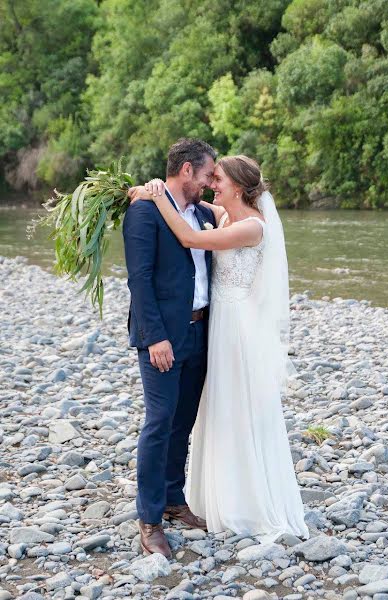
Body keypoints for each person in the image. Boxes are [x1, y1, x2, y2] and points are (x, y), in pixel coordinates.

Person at [130, 154, 309, 541]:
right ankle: (169, 509)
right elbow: (193, 206)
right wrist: (147, 190)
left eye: (220, 179)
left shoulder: (250, 227)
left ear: (240, 187)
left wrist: (158, 195)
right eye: (211, 176)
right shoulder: (223, 214)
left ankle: (246, 500)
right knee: (202, 414)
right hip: (216, 327)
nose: (213, 183)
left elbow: (190, 237)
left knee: (238, 410)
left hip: (237, 330)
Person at [123, 138, 217, 558]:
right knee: (159, 422)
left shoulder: (199, 213)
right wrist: (155, 336)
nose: (210, 182)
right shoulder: (144, 211)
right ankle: (150, 520)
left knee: (183, 421)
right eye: (207, 175)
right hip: (163, 337)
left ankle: (175, 501)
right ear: (185, 171)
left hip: (200, 332)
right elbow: (139, 279)